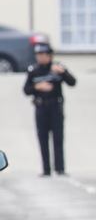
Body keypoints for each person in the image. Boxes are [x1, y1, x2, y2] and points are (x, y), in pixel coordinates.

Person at [23, 43, 76, 177]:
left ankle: (60, 168)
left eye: (43, 55)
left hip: (55, 107)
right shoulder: (33, 70)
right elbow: (26, 90)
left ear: (49, 56)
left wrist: (63, 72)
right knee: (43, 138)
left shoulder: (57, 67)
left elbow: (72, 82)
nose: (40, 58)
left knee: (58, 137)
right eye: (38, 55)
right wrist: (37, 87)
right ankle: (46, 169)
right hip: (41, 107)